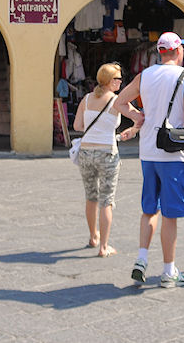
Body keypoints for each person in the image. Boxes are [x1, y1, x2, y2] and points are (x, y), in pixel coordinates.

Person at [113, 32, 184, 288]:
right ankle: (168, 271)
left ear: (159, 52)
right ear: (178, 51)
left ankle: (141, 259)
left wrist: (137, 116)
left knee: (149, 209)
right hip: (174, 154)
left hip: (148, 152)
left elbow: (120, 102)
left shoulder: (145, 75)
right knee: (170, 214)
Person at [73, 62, 138, 257]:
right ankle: (104, 246)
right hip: (107, 152)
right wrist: (132, 130)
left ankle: (94, 237)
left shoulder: (86, 99)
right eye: (117, 78)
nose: (120, 81)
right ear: (109, 81)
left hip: (86, 152)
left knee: (91, 196)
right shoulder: (117, 101)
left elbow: (77, 126)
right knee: (106, 200)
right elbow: (139, 118)